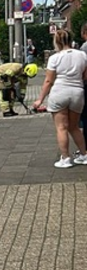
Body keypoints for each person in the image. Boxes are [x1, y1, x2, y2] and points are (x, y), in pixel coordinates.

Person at [32, 29, 87, 168]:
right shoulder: (82, 55)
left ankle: (65, 159)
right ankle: (84, 155)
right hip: (77, 92)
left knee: (61, 127)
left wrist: (40, 99)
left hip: (60, 92)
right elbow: (85, 76)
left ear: (56, 42)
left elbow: (49, 81)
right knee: (74, 127)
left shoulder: (54, 58)